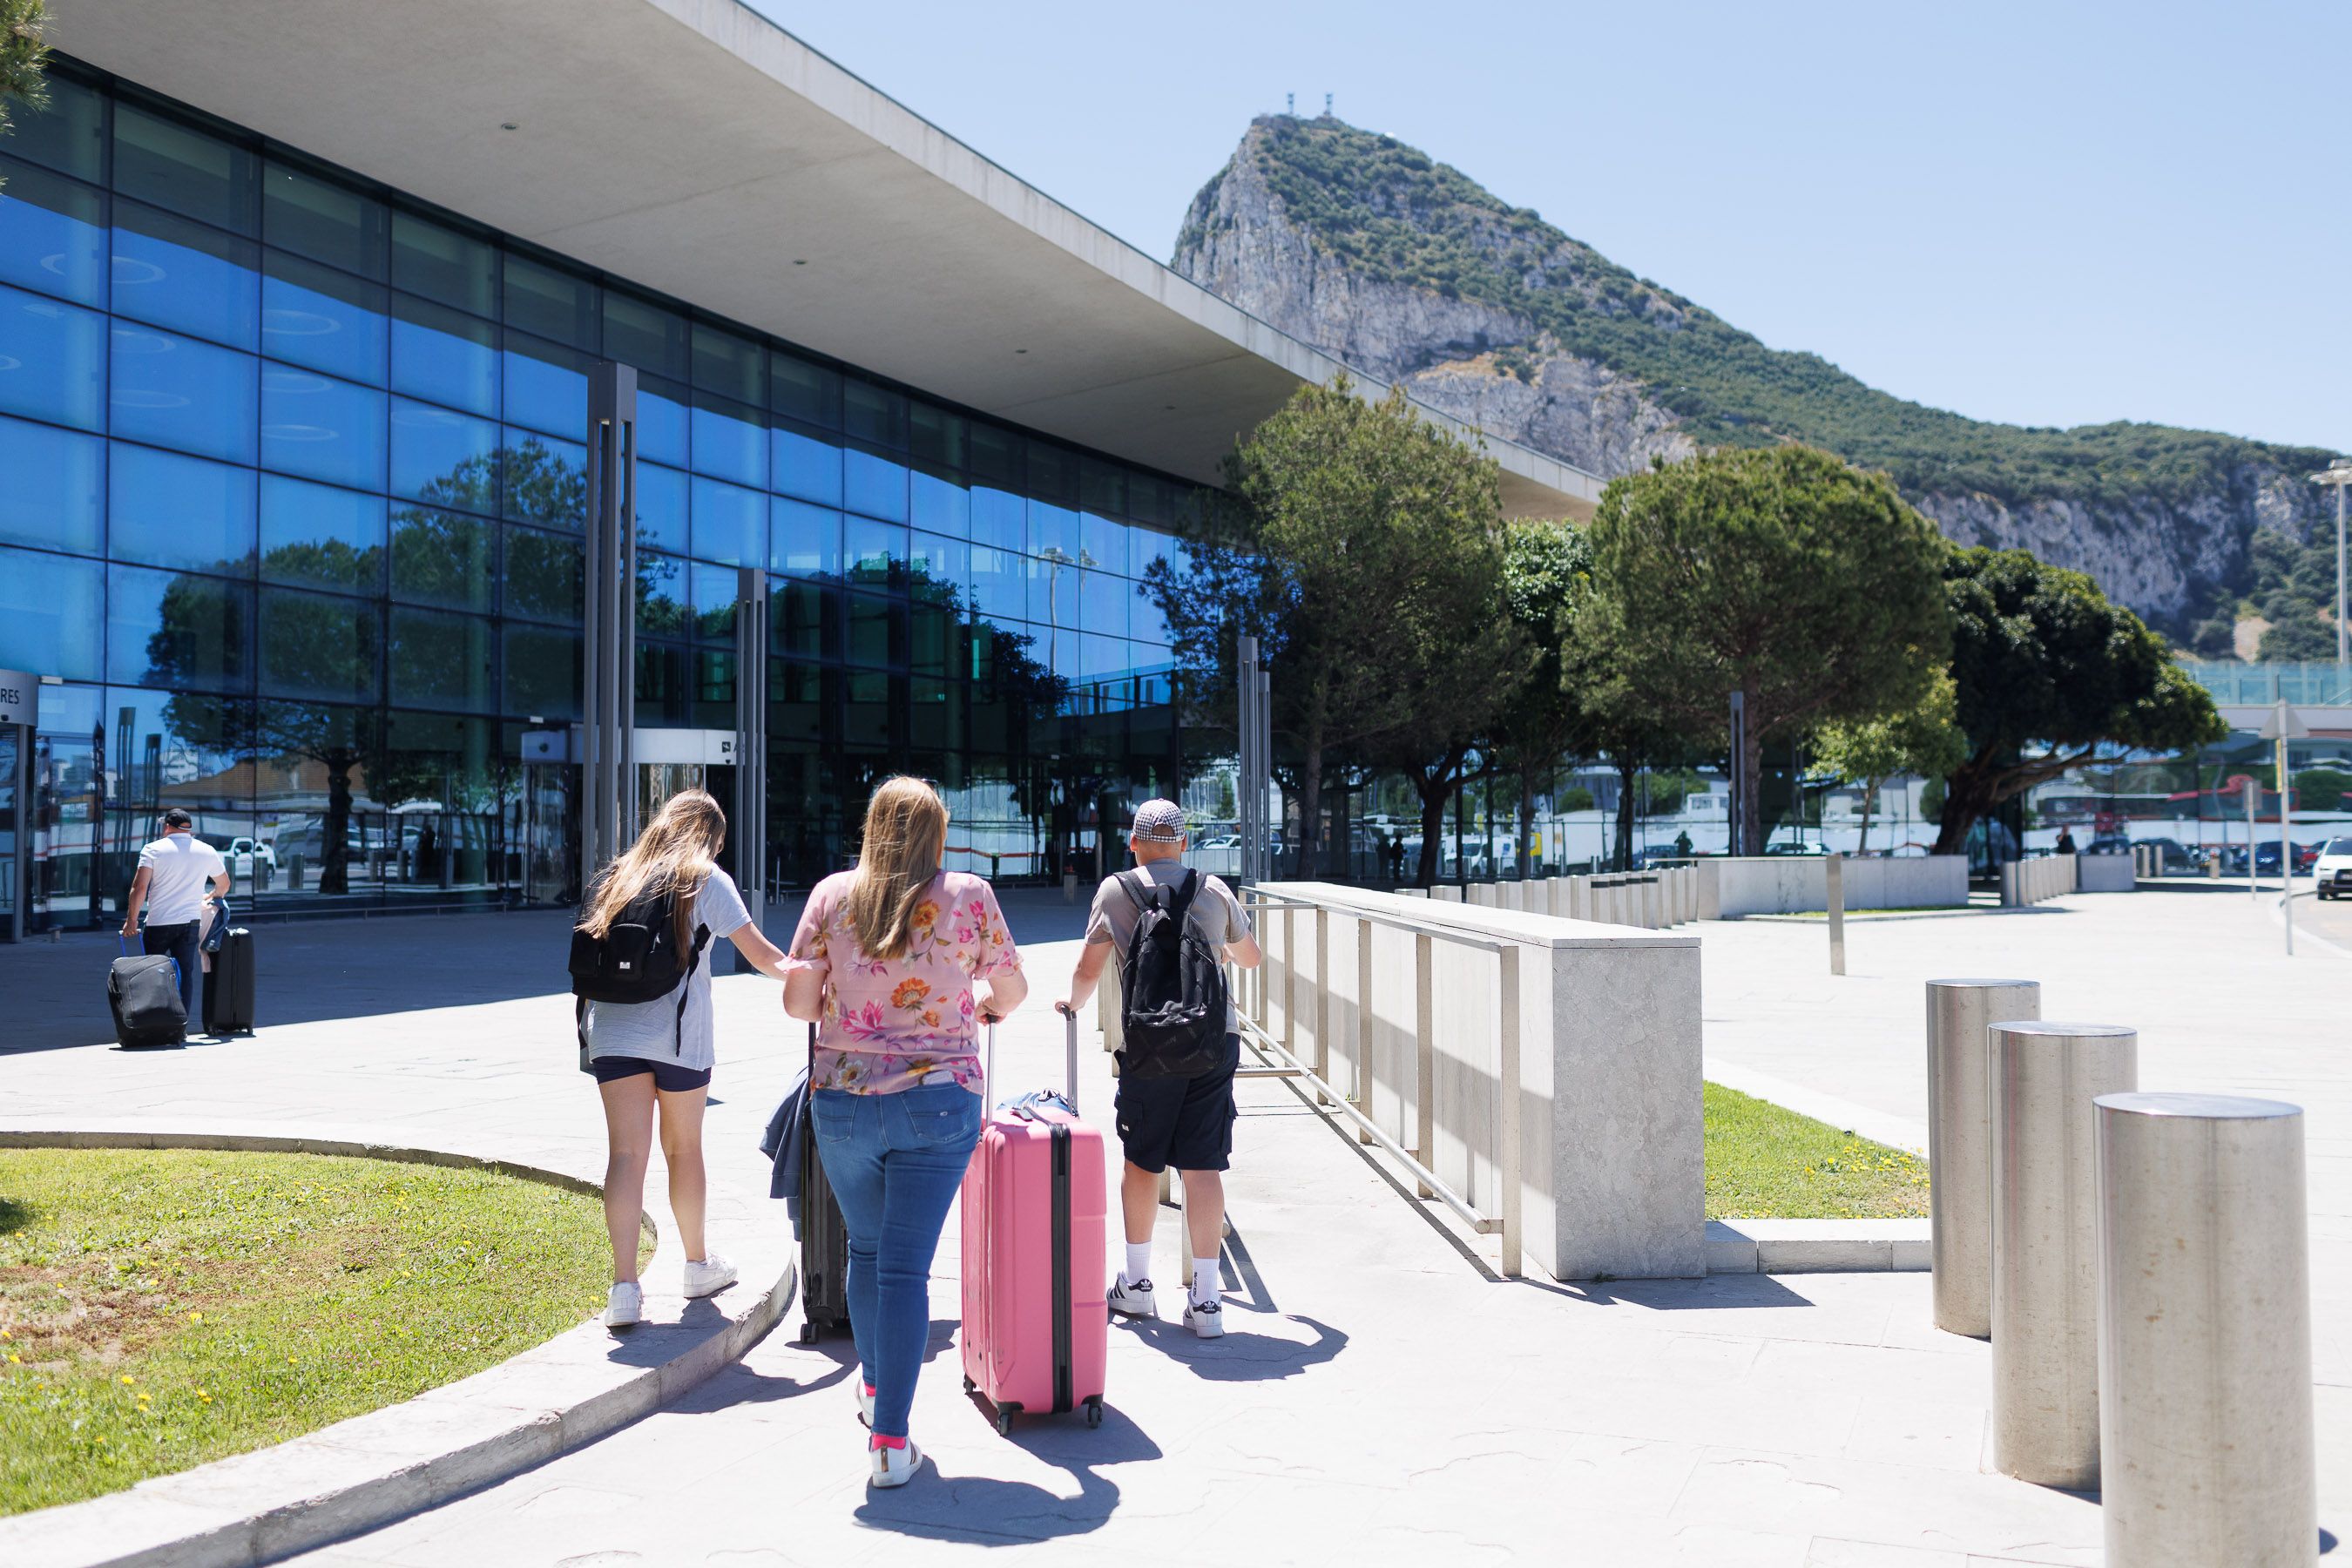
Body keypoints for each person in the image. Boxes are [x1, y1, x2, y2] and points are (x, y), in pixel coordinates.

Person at [784, 777, 1025, 1489]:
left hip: (845, 1103)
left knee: (866, 1250)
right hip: (938, 1102)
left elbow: (800, 1001)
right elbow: (1009, 991)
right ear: (936, 835)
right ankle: (890, 1440)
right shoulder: (970, 896)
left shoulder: (832, 895)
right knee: (905, 1270)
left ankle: (872, 1387)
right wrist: (980, 1004)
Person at [577, 789, 795, 1331]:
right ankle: (696, 1266)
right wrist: (818, 971)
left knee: (626, 1155)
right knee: (684, 1148)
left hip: (611, 1030)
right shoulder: (704, 878)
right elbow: (765, 957)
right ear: (712, 838)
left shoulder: (620, 875)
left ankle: (624, 1288)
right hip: (677, 1038)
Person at [1059, 800, 1261, 1340]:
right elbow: (1251, 958)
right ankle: (1208, 1300)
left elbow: (1088, 968)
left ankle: (1139, 1286)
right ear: (1184, 843)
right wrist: (1216, 948)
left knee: (1143, 1160)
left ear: (1133, 842)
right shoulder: (1214, 889)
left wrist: (1074, 1006)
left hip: (1148, 1045)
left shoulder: (1114, 891)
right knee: (1202, 1165)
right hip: (1213, 1042)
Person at [119, 809, 231, 1024]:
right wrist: (212, 896)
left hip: (159, 922)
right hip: (190, 923)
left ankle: (153, 1021)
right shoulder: (206, 850)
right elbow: (224, 884)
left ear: (167, 827)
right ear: (189, 829)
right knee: (185, 973)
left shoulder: (153, 850)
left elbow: (139, 887)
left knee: (152, 974)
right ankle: (181, 1024)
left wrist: (131, 920)